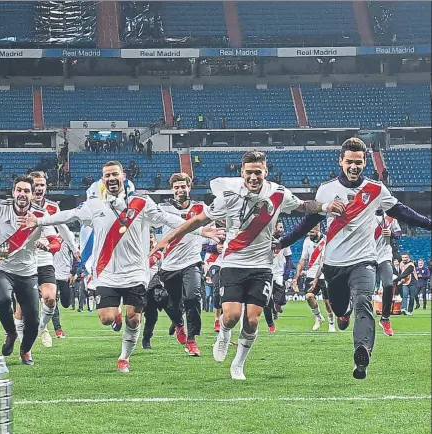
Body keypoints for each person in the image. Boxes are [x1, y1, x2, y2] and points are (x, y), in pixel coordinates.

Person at [151, 150, 343, 381]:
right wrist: (167, 240)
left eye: (258, 172)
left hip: (262, 267)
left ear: (266, 172)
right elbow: (197, 221)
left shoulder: (278, 193)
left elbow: (303, 206)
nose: (254, 177)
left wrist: (325, 207)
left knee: (252, 319)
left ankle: (238, 364)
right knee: (231, 316)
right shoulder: (230, 197)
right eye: (249, 172)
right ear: (242, 173)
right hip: (232, 263)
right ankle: (223, 334)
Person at [20, 160, 220, 373]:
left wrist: (200, 230)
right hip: (106, 273)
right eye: (107, 176)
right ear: (103, 180)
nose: (111, 178)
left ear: (123, 176)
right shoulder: (94, 205)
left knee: (133, 319)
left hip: (135, 272)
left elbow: (167, 218)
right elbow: (68, 215)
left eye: (115, 174)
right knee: (106, 318)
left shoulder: (141, 203)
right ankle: (115, 314)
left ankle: (124, 357)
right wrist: (39, 222)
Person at [277, 138, 431, 379]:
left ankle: (362, 353)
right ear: (341, 161)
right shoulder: (326, 190)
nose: (353, 166)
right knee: (340, 308)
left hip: (364, 261)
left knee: (364, 304)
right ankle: (343, 311)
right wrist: (283, 242)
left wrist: (429, 224)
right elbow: (308, 222)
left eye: (358, 162)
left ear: (365, 162)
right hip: (334, 264)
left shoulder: (376, 190)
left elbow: (402, 212)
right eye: (349, 161)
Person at [0, 175, 62, 365]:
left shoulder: (41, 214)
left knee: (33, 322)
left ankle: (25, 350)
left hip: (28, 272)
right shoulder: (0, 206)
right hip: (1, 266)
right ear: (13, 192)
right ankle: (11, 333)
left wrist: (48, 246)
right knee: (2, 299)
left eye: (26, 191)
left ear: (31, 194)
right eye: (19, 190)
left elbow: (56, 241)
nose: (22, 194)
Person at [13, 171, 78, 348]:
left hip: (44, 259)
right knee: (21, 306)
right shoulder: (17, 207)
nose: (39, 188)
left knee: (50, 299)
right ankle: (24, 348)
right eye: (36, 184)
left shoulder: (51, 208)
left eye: (42, 185)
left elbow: (62, 228)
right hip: (24, 260)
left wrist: (73, 248)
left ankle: (42, 327)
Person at [157, 173, 210, 356]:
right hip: (169, 265)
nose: (180, 190)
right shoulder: (162, 209)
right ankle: (179, 324)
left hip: (192, 262)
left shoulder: (201, 208)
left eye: (183, 187)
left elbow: (209, 230)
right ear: (172, 190)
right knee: (167, 301)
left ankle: (192, 340)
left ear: (189, 187)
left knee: (193, 298)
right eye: (176, 188)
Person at [292, 224, 336, 332]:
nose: (309, 234)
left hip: (325, 273)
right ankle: (319, 317)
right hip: (311, 273)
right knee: (309, 296)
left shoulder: (326, 240)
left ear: (318, 229)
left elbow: (322, 262)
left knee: (327, 301)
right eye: (309, 232)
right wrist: (295, 278)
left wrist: (316, 279)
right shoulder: (307, 241)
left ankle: (331, 324)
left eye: (312, 232)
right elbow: (302, 260)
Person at [375, 209, 401, 336]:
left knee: (388, 285)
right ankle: (347, 310)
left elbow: (399, 233)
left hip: (384, 256)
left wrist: (391, 233)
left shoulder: (391, 217)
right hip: (366, 255)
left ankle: (385, 318)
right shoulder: (365, 214)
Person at [263, 221, 293, 333]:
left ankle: (277, 305)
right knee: (265, 300)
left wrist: (286, 274)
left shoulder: (284, 241)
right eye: (280, 227)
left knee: (280, 299)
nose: (282, 229)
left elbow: (289, 258)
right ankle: (270, 325)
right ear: (274, 227)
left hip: (279, 274)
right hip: (266, 272)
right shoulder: (265, 239)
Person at [51, 242, 79, 339]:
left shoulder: (68, 236)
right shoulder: (47, 234)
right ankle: (58, 329)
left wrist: (73, 272)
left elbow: (76, 256)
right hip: (50, 274)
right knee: (52, 301)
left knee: (66, 303)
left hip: (65, 275)